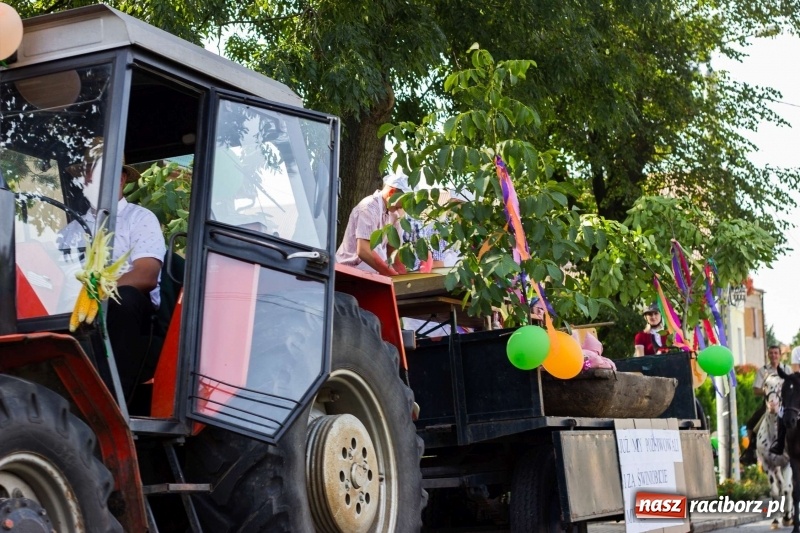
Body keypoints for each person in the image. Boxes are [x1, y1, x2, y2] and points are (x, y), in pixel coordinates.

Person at [60, 152, 166, 401]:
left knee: (124, 298)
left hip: (127, 310)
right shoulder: (71, 230)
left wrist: (96, 292)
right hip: (74, 307)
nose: (88, 178)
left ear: (120, 178)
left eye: (96, 172)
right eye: (85, 173)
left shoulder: (140, 219)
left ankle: (111, 401)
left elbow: (146, 274)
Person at [335, 174, 411, 275]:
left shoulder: (395, 214)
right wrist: (391, 274)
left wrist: (403, 276)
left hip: (371, 275)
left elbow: (393, 251)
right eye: (399, 206)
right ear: (392, 193)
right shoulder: (368, 208)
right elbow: (363, 250)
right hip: (348, 273)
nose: (401, 208)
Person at [750, 345, 792, 455]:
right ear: (768, 355)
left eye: (775, 353)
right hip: (769, 404)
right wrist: (768, 392)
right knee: (751, 423)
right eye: (771, 353)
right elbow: (755, 390)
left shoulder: (787, 369)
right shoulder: (762, 371)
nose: (773, 355)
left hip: (785, 404)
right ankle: (751, 450)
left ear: (780, 355)